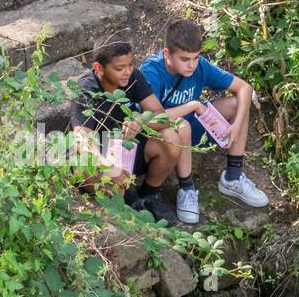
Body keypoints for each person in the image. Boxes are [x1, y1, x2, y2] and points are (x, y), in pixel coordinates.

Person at [139, 19, 269, 225]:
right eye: (184, 59)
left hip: (196, 127)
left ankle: (233, 176)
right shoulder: (151, 72)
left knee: (238, 104)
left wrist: (236, 126)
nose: (191, 65)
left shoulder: (199, 67)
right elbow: (151, 118)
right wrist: (192, 105)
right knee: (182, 125)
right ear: (167, 54)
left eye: (195, 58)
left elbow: (244, 88)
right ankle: (187, 188)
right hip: (163, 135)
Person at [69, 40, 197, 225]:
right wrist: (106, 166)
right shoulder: (87, 89)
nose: (127, 71)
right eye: (120, 68)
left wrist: (141, 120)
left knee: (171, 137)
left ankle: (149, 196)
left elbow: (161, 116)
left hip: (127, 149)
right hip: (100, 157)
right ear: (99, 68)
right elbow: (82, 139)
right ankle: (130, 207)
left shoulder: (133, 77)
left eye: (130, 65)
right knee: (88, 167)